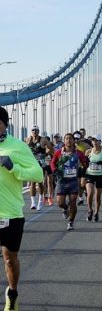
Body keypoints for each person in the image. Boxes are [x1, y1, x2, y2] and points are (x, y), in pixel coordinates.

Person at [0, 106, 43, 310]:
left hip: (10, 213)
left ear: (4, 124)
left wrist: (12, 167)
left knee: (10, 259)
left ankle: (12, 292)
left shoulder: (17, 147)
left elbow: (38, 175)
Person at [50, 133, 88, 230]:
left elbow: (85, 162)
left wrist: (84, 166)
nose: (69, 140)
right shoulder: (59, 152)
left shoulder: (78, 153)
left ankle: (71, 222)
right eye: (67, 138)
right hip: (61, 181)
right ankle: (65, 208)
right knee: (60, 203)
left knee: (73, 201)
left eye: (71, 139)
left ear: (73, 141)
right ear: (64, 140)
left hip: (73, 181)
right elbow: (52, 163)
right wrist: (54, 170)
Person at [26, 125, 54, 210]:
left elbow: (51, 149)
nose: (34, 131)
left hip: (41, 163)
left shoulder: (43, 140)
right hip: (32, 163)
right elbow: (25, 149)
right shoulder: (28, 139)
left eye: (36, 130)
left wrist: (45, 154)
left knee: (40, 182)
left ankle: (40, 201)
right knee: (32, 182)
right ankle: (33, 203)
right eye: (33, 130)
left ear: (38, 131)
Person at [84, 135, 102, 222]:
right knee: (90, 193)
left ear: (100, 142)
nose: (94, 142)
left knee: (97, 197)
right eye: (93, 140)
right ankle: (90, 210)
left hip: (100, 175)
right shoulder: (88, 152)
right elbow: (84, 163)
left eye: (96, 140)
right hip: (90, 174)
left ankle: (96, 212)